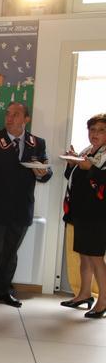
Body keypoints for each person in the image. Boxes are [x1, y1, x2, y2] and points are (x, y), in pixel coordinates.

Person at [0, 102, 52, 309]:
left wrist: (43, 173)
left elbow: (45, 170)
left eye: (16, 114)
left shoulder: (37, 143)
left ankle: (3, 290)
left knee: (10, 252)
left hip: (22, 208)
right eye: (8, 114)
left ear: (26, 119)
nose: (10, 118)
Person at [61, 113, 106, 318]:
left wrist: (92, 169)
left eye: (101, 130)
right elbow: (74, 178)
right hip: (81, 212)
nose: (95, 134)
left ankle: (103, 301)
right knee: (85, 257)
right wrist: (72, 164)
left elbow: (100, 179)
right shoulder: (87, 151)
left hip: (98, 215)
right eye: (92, 129)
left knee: (96, 259)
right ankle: (84, 294)